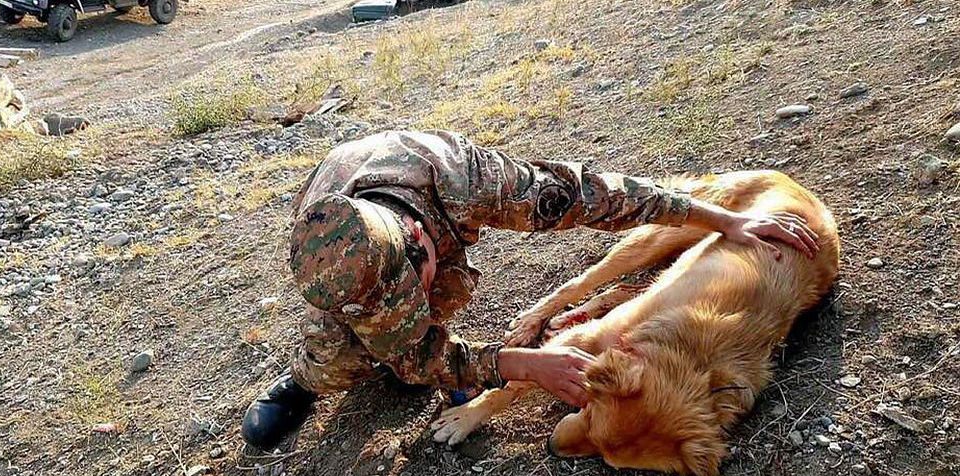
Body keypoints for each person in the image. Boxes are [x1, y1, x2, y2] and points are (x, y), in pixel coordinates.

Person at [241, 130, 819, 449]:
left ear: (419, 235)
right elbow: (415, 354)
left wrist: (725, 222)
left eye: (403, 292)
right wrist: (518, 364)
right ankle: (301, 381)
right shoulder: (323, 241)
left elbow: (605, 196)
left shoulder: (471, 182)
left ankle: (414, 314)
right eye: (384, 307)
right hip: (351, 209)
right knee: (347, 352)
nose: (399, 310)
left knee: (433, 314)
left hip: (415, 192)